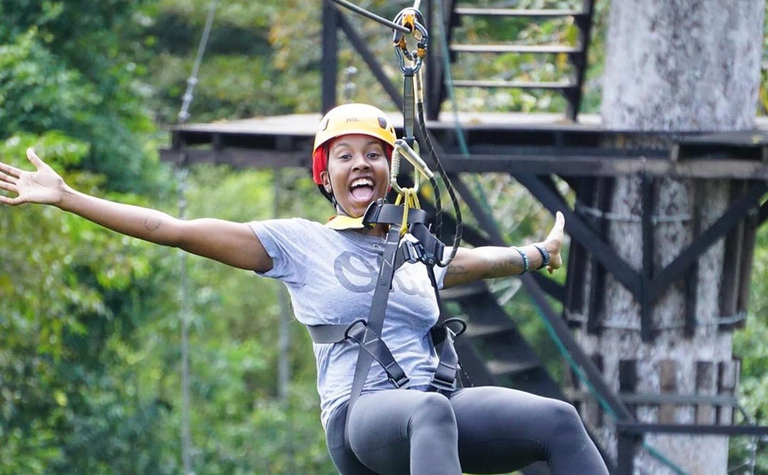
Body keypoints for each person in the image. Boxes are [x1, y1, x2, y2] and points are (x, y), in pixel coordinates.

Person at [0, 103, 608, 475]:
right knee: (427, 413)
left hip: (434, 412)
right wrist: (70, 199)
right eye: (346, 156)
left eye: (375, 154)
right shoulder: (295, 243)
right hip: (360, 419)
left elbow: (470, 263)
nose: (362, 164)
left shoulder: (410, 248)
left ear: (391, 171)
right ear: (328, 176)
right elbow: (173, 230)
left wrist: (535, 254)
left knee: (555, 419)